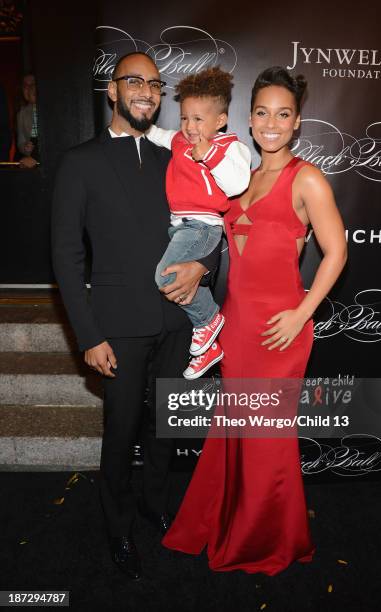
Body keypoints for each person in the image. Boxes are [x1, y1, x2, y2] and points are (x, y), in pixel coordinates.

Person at [162, 67, 348, 575]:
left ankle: (264, 540)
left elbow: (336, 252)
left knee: (266, 440)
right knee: (234, 429)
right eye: (262, 112)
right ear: (248, 119)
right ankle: (221, 522)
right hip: (236, 324)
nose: (271, 123)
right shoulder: (237, 176)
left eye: (282, 114)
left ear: (297, 123)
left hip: (281, 328)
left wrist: (301, 314)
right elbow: (217, 241)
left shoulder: (305, 178)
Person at [51, 52, 221, 581]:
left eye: (153, 82)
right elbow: (65, 256)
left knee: (166, 425)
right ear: (112, 90)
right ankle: (118, 525)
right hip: (117, 325)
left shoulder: (179, 155)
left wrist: (204, 266)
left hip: (177, 318)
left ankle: (155, 504)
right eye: (134, 81)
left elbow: (210, 223)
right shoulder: (80, 161)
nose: (146, 90)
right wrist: (89, 334)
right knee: (121, 432)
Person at [147, 67, 251, 380]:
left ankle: (207, 321)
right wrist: (138, 125)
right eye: (184, 118)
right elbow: (155, 134)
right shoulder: (179, 140)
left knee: (164, 277)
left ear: (220, 120)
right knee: (172, 281)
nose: (190, 127)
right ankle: (208, 345)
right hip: (181, 227)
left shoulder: (230, 146)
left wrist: (209, 155)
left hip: (203, 227)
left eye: (198, 119)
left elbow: (236, 184)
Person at [16, 74, 39, 169]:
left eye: (32, 84)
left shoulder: (51, 107)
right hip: (31, 158)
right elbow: (20, 142)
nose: (29, 89)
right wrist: (25, 147)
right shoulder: (22, 113)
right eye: (26, 86)